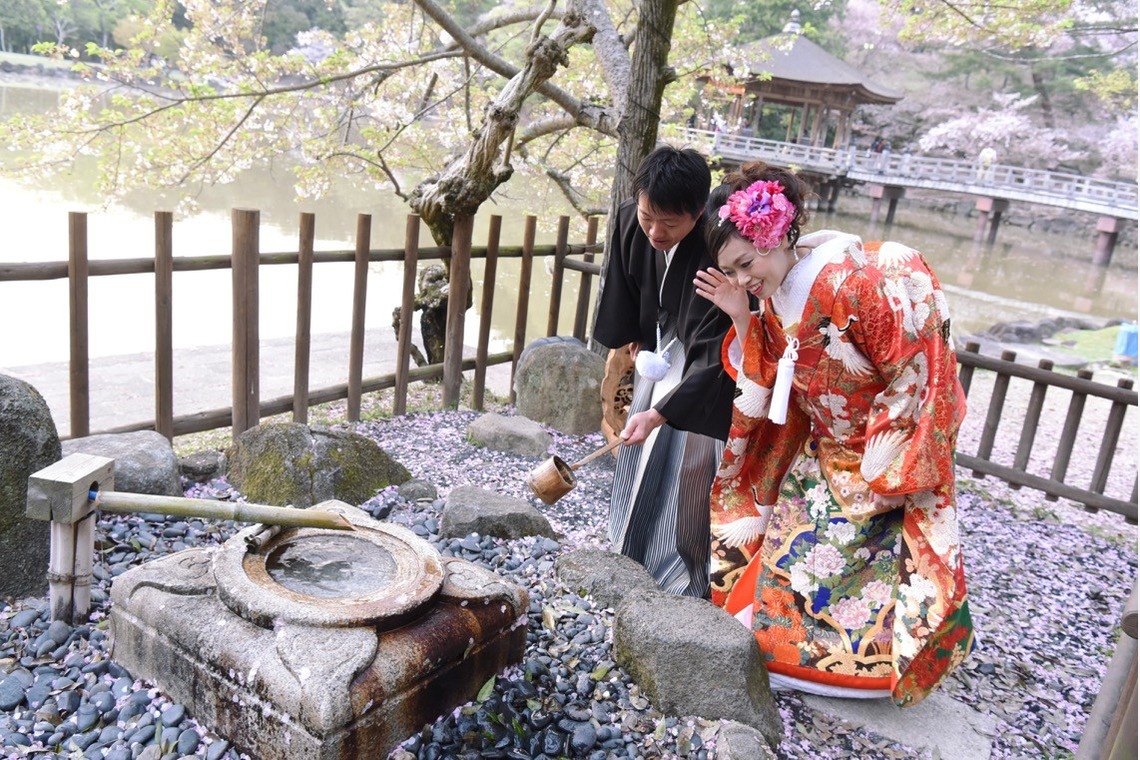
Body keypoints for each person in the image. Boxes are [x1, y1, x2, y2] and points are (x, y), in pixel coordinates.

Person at [692, 161, 973, 705]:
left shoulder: (870, 277)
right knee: (788, 557)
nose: (745, 279)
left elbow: (918, 363)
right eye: (733, 270)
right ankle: (796, 661)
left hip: (878, 453)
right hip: (821, 449)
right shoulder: (774, 294)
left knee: (878, 567)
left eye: (746, 263)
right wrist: (741, 313)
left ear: (775, 233)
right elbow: (774, 375)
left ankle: (864, 674)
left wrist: (888, 455)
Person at [593, 145, 736, 598]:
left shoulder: (718, 245)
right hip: (659, 347)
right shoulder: (628, 217)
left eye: (670, 223)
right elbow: (624, 281)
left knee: (689, 465)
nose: (655, 231)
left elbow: (716, 349)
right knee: (641, 454)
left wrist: (662, 413)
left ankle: (689, 575)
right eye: (647, 216)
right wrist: (633, 333)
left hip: (707, 367)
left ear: (698, 212)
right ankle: (631, 547)